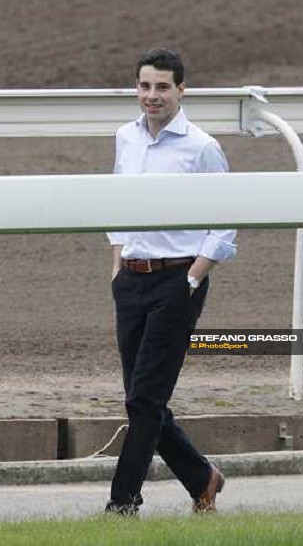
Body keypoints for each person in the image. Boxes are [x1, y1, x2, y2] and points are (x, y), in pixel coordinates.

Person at [105, 47, 237, 515]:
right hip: (132, 281)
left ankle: (122, 504)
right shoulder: (126, 137)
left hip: (177, 282)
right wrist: (118, 264)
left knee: (144, 398)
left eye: (162, 87)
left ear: (182, 90)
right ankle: (202, 477)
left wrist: (193, 278)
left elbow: (225, 223)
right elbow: (118, 202)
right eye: (144, 86)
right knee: (142, 400)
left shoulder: (201, 147)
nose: (152, 96)